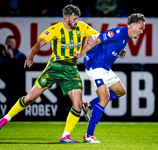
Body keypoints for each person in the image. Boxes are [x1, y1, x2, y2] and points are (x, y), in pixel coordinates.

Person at [0, 4, 98, 143]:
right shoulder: (55, 29)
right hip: (54, 67)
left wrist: (94, 38)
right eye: (74, 19)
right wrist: (30, 57)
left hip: (71, 69)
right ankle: (4, 120)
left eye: (77, 18)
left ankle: (65, 136)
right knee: (29, 99)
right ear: (66, 18)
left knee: (78, 104)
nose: (76, 21)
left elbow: (98, 35)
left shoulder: (82, 27)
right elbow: (39, 44)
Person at [74, 13, 145, 143]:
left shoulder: (125, 38)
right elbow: (95, 39)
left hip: (105, 68)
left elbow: (109, 46)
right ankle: (88, 136)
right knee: (105, 98)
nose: (142, 31)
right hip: (95, 66)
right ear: (132, 26)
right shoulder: (119, 31)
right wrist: (80, 54)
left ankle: (89, 105)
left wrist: (120, 51)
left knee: (121, 91)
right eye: (140, 28)